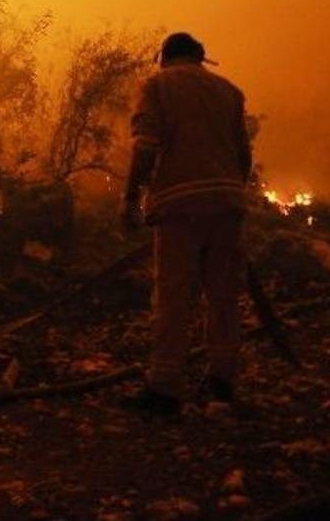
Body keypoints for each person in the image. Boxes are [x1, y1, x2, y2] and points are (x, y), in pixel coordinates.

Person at [120, 32, 252, 415]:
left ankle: (164, 388)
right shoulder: (230, 91)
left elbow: (145, 146)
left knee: (173, 296)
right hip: (227, 205)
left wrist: (130, 199)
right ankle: (223, 386)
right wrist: (229, 196)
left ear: (166, 58)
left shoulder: (156, 86)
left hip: (179, 206)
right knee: (223, 297)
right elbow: (243, 155)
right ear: (200, 59)